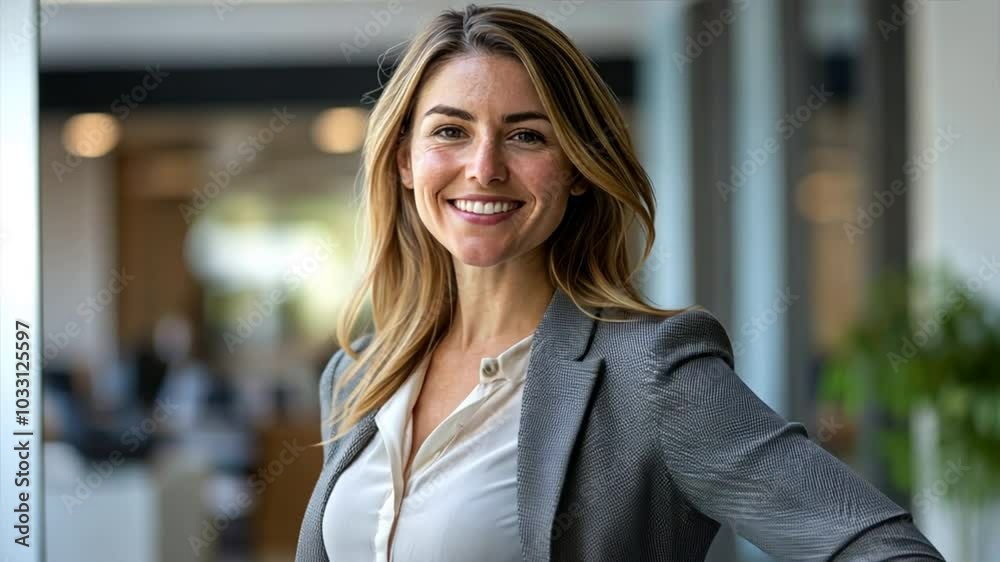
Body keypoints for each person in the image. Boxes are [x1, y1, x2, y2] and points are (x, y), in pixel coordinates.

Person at [296, 4, 944, 561]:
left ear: (577, 167)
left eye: (526, 135)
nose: (484, 167)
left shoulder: (648, 372)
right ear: (405, 159)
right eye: (450, 131)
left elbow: (878, 545)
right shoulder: (360, 375)